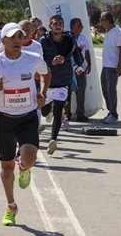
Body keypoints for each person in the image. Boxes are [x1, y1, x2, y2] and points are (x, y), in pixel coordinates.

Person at [0, 22, 49, 226]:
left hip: (28, 117)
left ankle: (24, 168)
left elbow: (46, 73)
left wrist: (42, 91)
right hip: (5, 120)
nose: (18, 40)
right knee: (6, 168)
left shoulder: (33, 59)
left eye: (20, 36)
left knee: (28, 158)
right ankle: (11, 206)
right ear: (4, 40)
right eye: (13, 37)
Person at [39, 15, 83, 155]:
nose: (58, 26)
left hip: (63, 80)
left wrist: (79, 65)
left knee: (58, 112)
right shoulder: (44, 41)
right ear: (50, 26)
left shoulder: (70, 39)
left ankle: (53, 140)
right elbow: (38, 59)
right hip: (48, 82)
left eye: (60, 24)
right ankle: (48, 110)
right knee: (45, 111)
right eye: (55, 24)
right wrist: (51, 61)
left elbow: (76, 54)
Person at [99, 12, 121, 124]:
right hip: (105, 66)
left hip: (112, 67)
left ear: (108, 20)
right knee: (105, 90)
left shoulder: (117, 32)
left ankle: (113, 114)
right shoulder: (108, 31)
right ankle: (111, 112)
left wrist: (119, 66)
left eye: (102, 19)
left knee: (111, 91)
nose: (101, 22)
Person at [64, 18, 91, 123]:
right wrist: (77, 49)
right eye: (80, 25)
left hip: (81, 69)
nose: (82, 27)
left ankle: (80, 114)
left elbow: (87, 51)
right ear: (73, 27)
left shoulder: (83, 37)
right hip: (69, 70)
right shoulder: (67, 37)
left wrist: (89, 65)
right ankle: (67, 114)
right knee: (68, 93)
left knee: (81, 93)